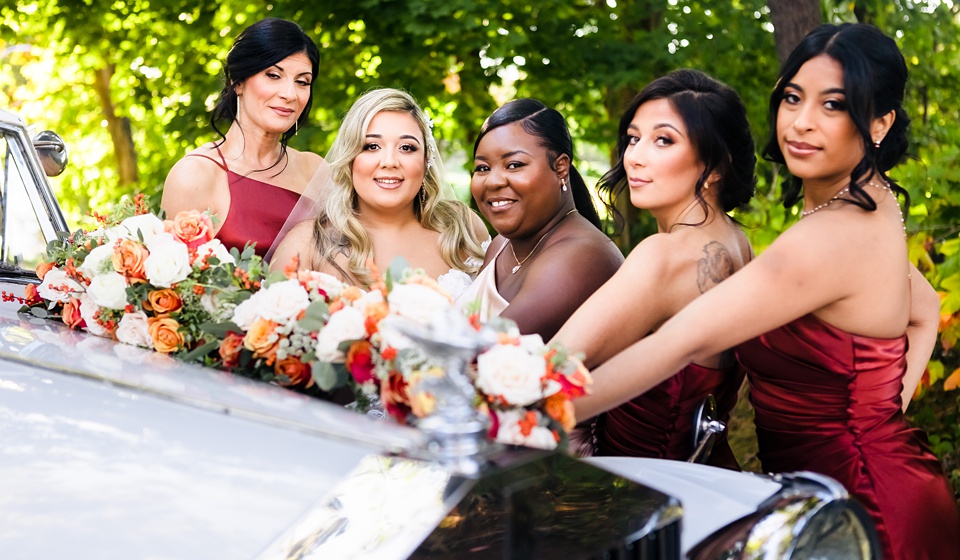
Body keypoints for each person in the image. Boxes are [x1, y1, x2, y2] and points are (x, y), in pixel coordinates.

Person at [572, 23, 960, 559]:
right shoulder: (869, 203)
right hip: (836, 493)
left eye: (834, 105)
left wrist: (538, 408)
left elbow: (678, 342)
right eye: (793, 98)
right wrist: (875, 415)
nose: (801, 123)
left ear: (879, 123)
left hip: (865, 513)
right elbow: (926, 309)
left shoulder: (827, 237)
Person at [551, 69, 756, 467]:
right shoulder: (737, 243)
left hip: (634, 487)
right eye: (633, 138)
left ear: (714, 167)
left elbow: (550, 370)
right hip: (710, 474)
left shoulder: (663, 255)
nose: (635, 156)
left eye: (663, 140)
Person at [270, 88, 488, 295]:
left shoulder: (463, 227)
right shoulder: (307, 243)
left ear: (425, 161)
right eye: (372, 146)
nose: (389, 162)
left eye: (407, 148)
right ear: (350, 159)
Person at [461, 98, 624, 342]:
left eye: (514, 165)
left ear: (560, 168)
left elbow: (482, 348)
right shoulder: (501, 244)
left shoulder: (580, 257)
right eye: (483, 168)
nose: (493, 181)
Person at [161, 18, 324, 258]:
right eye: (273, 75)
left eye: (302, 82)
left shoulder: (316, 171)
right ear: (237, 81)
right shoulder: (194, 175)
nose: (290, 94)